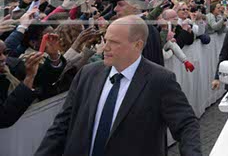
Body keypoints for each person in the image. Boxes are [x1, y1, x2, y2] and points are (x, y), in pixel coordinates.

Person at [35, 16, 202, 156]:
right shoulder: (88, 74)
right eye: (106, 40)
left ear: (137, 45)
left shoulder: (160, 80)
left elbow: (186, 124)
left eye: (114, 42)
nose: (105, 47)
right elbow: (61, 125)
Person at [0, 39, 44, 128]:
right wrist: (29, 78)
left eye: (5, 52)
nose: (3, 58)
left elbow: (44, 80)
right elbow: (4, 118)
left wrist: (54, 57)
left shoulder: (12, 65)